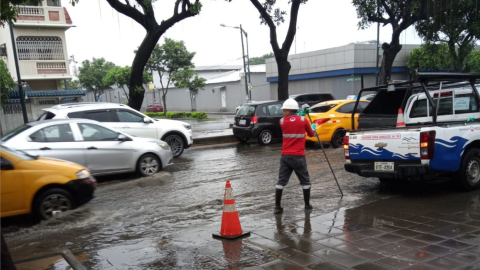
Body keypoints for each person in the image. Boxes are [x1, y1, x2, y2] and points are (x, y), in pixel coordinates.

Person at [274, 99, 316, 214]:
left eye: (284, 110)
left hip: (285, 156)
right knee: (305, 182)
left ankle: (277, 207)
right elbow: (312, 134)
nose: (283, 113)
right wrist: (313, 127)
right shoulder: (303, 120)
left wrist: (299, 115)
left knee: (281, 181)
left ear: (288, 110)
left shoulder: (282, 121)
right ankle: (307, 205)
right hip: (299, 156)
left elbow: (291, 121)